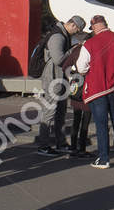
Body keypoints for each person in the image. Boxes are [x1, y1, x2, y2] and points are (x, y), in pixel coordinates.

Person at [76, 15, 114, 169]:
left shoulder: (89, 43)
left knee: (101, 125)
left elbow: (81, 68)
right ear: (106, 24)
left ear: (94, 27)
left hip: (97, 89)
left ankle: (104, 159)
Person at [36, 15, 84, 156]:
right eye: (78, 30)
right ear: (73, 25)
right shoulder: (58, 37)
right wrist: (73, 50)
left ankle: (61, 143)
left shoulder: (62, 35)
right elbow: (58, 60)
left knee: (61, 113)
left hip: (59, 79)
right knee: (49, 112)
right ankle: (43, 145)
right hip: (53, 79)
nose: (77, 33)